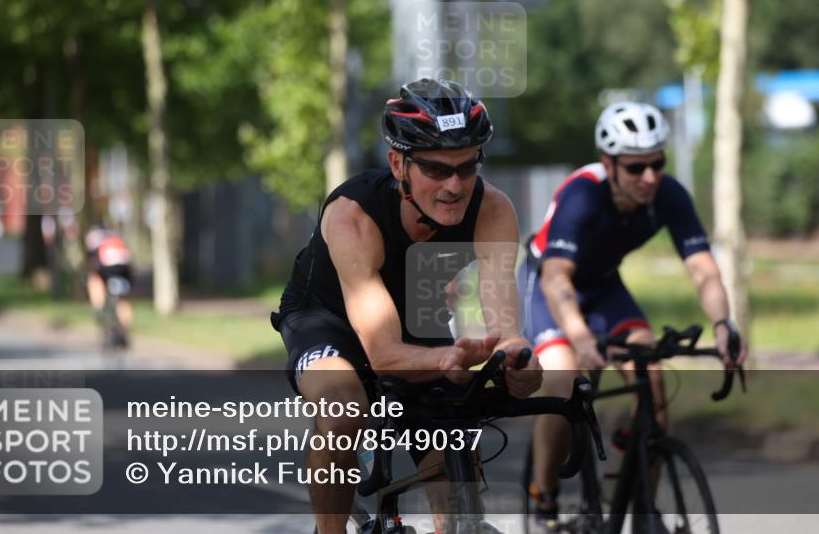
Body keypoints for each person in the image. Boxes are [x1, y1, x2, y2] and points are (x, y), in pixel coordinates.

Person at [272, 78, 543, 534]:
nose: (455, 185)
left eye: (466, 166)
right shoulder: (352, 214)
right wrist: (445, 358)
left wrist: (518, 362)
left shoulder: (493, 208)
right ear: (398, 163)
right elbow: (382, 352)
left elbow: (506, 323)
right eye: (436, 169)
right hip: (328, 317)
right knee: (342, 406)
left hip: (417, 313)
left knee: (452, 426)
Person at [520, 101, 748, 533]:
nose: (649, 177)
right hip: (547, 283)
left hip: (603, 285)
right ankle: (543, 495)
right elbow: (556, 280)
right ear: (609, 164)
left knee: (652, 371)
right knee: (563, 378)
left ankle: (639, 495)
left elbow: (703, 269)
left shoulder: (669, 194)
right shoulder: (583, 193)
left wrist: (724, 323)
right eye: (635, 167)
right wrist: (580, 337)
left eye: (657, 163)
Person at [84, 223, 134, 340]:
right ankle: (126, 330)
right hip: (123, 269)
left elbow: (93, 262)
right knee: (123, 300)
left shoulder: (95, 238)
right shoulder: (117, 238)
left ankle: (99, 306)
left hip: (105, 267)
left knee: (94, 280)